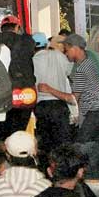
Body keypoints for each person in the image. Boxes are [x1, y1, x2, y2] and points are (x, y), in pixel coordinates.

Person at [41, 33, 99, 146]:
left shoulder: (81, 69)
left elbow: (72, 98)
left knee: (80, 145)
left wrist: (49, 89)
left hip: (96, 111)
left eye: (67, 50)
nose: (66, 53)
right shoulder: (88, 62)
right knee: (96, 147)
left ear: (75, 48)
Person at [33, 30, 74, 159]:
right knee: (62, 146)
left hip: (41, 107)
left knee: (45, 146)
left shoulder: (32, 59)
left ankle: (46, 172)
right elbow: (70, 70)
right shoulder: (59, 56)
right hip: (59, 105)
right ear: (46, 44)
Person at [0, 15, 37, 133]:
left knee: (2, 131)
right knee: (20, 129)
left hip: (2, 92)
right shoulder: (27, 41)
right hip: (25, 91)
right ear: (17, 27)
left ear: (2, 29)